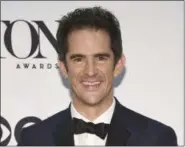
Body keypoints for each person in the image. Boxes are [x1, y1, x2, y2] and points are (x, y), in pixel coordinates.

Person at [17, 6, 177, 146]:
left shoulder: (156, 139)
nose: (91, 71)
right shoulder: (34, 139)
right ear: (64, 68)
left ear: (118, 65)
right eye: (78, 59)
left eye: (100, 58)